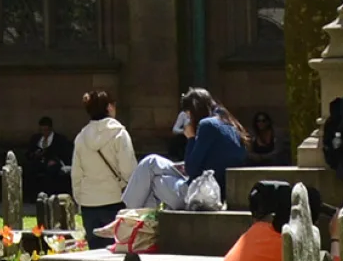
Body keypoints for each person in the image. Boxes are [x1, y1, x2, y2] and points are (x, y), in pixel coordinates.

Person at [123, 88, 248, 209]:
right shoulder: (231, 124)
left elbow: (192, 169)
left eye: (189, 116)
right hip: (214, 190)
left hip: (198, 194)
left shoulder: (207, 125)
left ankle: (124, 214)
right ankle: (132, 217)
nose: (188, 121)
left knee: (152, 175)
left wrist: (191, 138)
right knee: (151, 164)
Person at [70, 91, 136, 249]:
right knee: (117, 251)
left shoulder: (81, 138)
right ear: (109, 107)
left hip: (89, 203)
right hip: (115, 199)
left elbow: (76, 173)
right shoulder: (120, 134)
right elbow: (129, 170)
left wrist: (80, 197)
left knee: (95, 254)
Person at [24, 116, 74, 200]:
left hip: (54, 163)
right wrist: (35, 154)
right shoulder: (36, 138)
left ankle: (49, 195)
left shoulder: (59, 139)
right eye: (42, 130)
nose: (44, 133)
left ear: (50, 129)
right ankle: (32, 196)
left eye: (46, 130)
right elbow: (29, 153)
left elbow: (65, 154)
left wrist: (55, 160)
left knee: (51, 170)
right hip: (38, 162)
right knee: (30, 170)